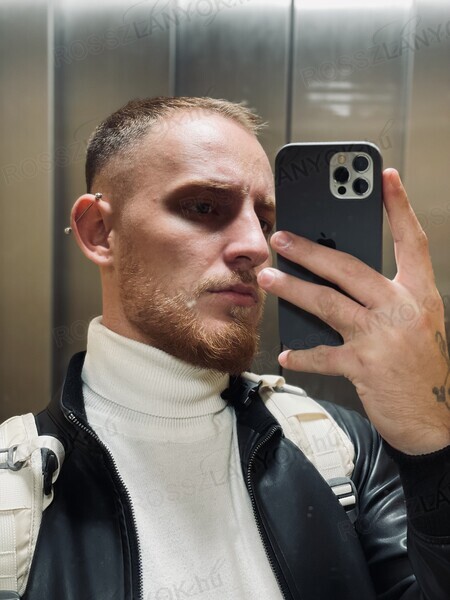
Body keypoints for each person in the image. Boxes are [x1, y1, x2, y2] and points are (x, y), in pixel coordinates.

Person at [9, 97, 450, 599]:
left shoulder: (341, 451)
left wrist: (428, 440)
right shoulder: (14, 500)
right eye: (204, 207)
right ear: (100, 231)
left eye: (264, 221)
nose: (257, 248)